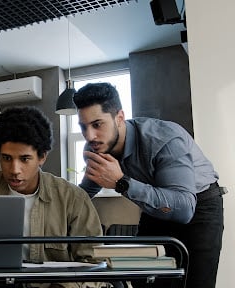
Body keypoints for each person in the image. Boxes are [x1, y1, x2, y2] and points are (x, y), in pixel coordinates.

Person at [72, 82, 224, 288]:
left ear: (119, 118)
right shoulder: (97, 146)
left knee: (195, 281)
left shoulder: (165, 140)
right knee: (143, 277)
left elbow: (184, 209)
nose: (90, 136)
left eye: (97, 124)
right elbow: (85, 193)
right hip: (156, 209)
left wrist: (120, 182)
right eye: (83, 127)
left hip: (198, 205)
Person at [0, 106, 104, 288]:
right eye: (6, 158)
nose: (14, 170)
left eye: (24, 159)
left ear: (42, 157)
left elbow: (94, 264)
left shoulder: (72, 198)